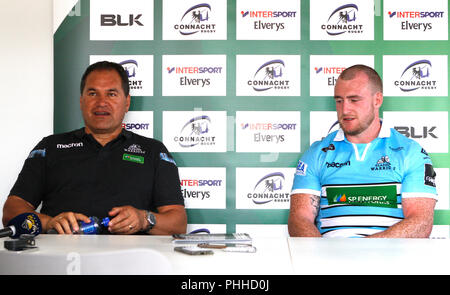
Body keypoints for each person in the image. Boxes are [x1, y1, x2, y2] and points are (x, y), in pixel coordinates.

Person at [2, 61, 187, 235]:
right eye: (92, 93)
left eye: (112, 94)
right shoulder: (50, 147)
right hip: (60, 261)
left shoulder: (153, 151)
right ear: (81, 101)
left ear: (127, 102)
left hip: (131, 262)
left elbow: (178, 222)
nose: (101, 102)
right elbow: (11, 210)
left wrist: (145, 219)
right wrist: (48, 222)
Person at [288, 64, 437, 238]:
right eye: (339, 101)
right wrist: (325, 258)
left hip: (390, 260)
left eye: (354, 100)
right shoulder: (317, 153)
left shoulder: (410, 152)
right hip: (329, 259)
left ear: (377, 100)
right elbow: (299, 219)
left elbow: (421, 222)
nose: (345, 110)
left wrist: (364, 251)